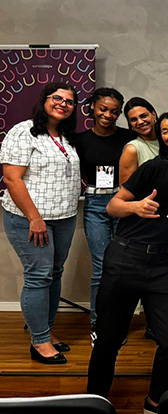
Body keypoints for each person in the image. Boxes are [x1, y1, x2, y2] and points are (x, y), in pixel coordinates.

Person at [87, 123, 168, 414]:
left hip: (164, 264)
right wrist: (135, 207)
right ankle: (93, 402)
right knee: (109, 338)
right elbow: (112, 206)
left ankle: (155, 400)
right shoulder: (156, 168)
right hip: (125, 257)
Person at [1, 82, 81, 364]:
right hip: (30, 219)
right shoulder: (24, 131)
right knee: (39, 276)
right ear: (44, 101)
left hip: (64, 217)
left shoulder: (66, 136)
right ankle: (40, 342)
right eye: (57, 98)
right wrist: (35, 218)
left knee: (54, 273)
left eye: (69, 101)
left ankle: (45, 331)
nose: (63, 104)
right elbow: (12, 178)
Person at [74, 87, 134, 334]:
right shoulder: (79, 140)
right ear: (91, 108)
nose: (108, 115)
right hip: (96, 205)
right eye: (103, 109)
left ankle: (119, 322)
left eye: (114, 111)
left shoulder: (128, 138)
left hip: (123, 202)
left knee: (123, 266)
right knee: (101, 268)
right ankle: (99, 325)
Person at [119, 97, 159, 184]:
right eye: (134, 120)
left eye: (143, 116)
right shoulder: (132, 149)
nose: (140, 122)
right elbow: (125, 190)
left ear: (154, 115)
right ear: (131, 125)